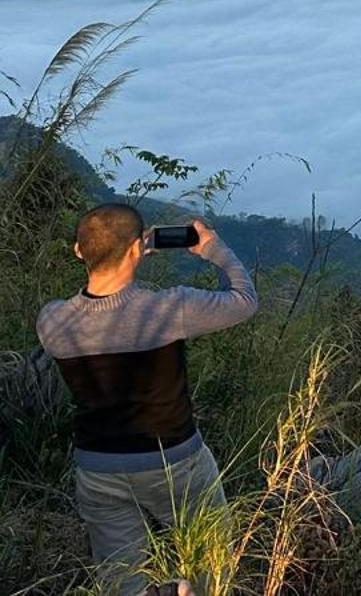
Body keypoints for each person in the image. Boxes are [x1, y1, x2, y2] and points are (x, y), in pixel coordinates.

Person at [36, 203, 258, 596]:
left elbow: (100, 315)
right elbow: (243, 300)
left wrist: (129, 253)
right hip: (175, 464)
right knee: (212, 566)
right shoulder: (168, 310)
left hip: (98, 469)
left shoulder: (52, 321)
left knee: (124, 582)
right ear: (138, 249)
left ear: (77, 251)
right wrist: (213, 249)